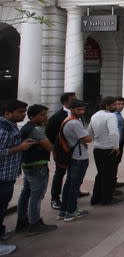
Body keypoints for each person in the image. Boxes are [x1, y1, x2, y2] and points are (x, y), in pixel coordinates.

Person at [16, 104, 57, 235]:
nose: (45, 117)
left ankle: (22, 221)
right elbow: (48, 146)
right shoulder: (36, 130)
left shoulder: (27, 128)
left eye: (45, 114)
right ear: (32, 116)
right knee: (36, 196)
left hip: (28, 165)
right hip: (38, 166)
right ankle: (34, 224)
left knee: (26, 193)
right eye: (42, 115)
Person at [0, 100, 34, 255]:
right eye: (20, 112)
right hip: (2, 176)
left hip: (8, 174)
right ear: (7, 113)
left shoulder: (10, 126)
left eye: (24, 111)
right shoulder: (2, 129)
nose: (24, 114)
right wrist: (20, 148)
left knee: (2, 207)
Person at [45, 92, 88, 210]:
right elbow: (50, 134)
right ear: (64, 102)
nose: (75, 101)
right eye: (72, 100)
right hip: (63, 152)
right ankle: (55, 198)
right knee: (60, 173)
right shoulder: (57, 117)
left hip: (76, 152)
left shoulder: (78, 114)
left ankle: (74, 192)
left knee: (74, 175)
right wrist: (54, 150)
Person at [59, 100, 93, 222]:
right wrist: (90, 136)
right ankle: (71, 211)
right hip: (78, 157)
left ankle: (64, 210)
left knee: (69, 184)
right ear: (72, 109)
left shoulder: (68, 120)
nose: (82, 112)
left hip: (74, 156)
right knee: (74, 185)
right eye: (79, 109)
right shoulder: (74, 123)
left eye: (83, 109)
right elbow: (87, 138)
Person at [88, 97, 123, 205]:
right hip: (108, 149)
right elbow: (114, 133)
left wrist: (97, 139)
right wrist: (116, 146)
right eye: (113, 105)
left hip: (97, 149)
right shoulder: (110, 116)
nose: (115, 107)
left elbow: (89, 131)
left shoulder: (95, 115)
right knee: (109, 175)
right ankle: (107, 199)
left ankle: (96, 198)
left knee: (100, 174)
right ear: (107, 106)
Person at [113, 97, 124, 188]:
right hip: (115, 144)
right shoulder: (113, 116)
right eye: (118, 104)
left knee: (116, 162)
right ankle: (112, 183)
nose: (121, 106)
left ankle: (114, 180)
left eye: (122, 104)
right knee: (113, 164)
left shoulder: (118, 114)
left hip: (119, 143)